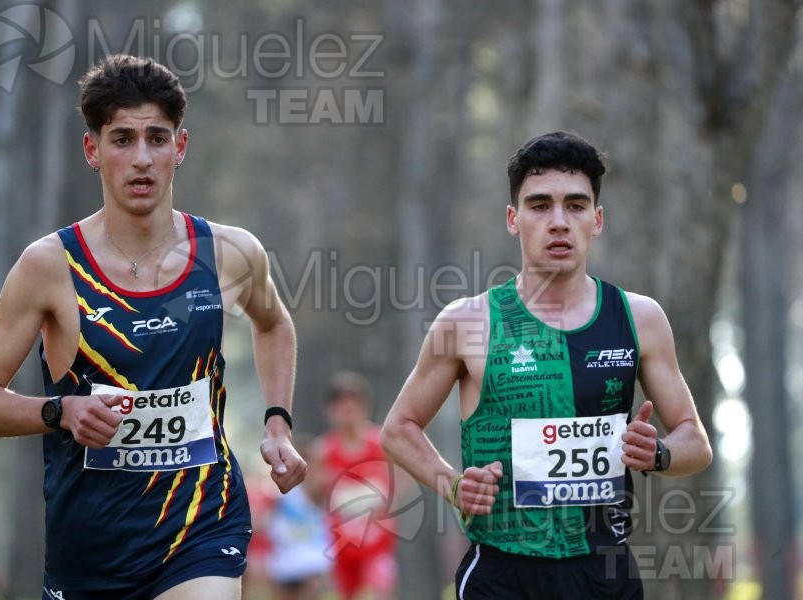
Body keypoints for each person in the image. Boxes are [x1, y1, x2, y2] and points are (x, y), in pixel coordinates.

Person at [0, 54, 306, 600]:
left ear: (180, 148)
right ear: (93, 150)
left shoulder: (230, 253)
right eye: (122, 139)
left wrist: (278, 422)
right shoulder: (49, 267)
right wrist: (60, 411)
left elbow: (274, 324)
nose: (141, 158)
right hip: (91, 547)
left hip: (202, 525)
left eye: (157, 138)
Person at [380, 131, 713, 599]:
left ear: (597, 220)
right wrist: (453, 485)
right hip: (503, 573)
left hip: (604, 570)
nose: (559, 222)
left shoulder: (639, 318)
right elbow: (398, 428)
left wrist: (658, 453)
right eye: (540, 206)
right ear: (513, 220)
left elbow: (695, 441)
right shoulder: (468, 321)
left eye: (575, 206)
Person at [314, 372, 398, 600]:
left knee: (381, 589)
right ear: (330, 410)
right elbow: (316, 497)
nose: (347, 410)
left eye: (353, 403)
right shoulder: (322, 451)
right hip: (338, 546)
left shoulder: (382, 443)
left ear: (365, 406)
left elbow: (398, 486)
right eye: (340, 404)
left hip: (377, 543)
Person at [264, 435, 333, 600]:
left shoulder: (321, 494)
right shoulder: (280, 496)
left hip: (313, 559)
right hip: (285, 559)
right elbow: (266, 521)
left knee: (312, 585)